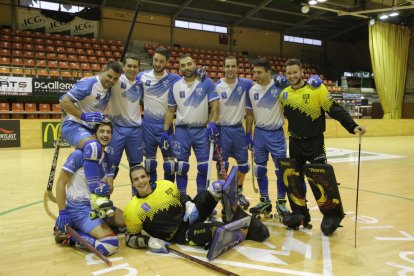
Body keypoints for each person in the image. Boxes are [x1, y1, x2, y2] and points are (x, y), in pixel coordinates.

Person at [279, 58, 366, 233]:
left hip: (315, 143)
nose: (292, 75)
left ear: (302, 72)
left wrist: (352, 125)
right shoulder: (284, 94)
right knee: (294, 180)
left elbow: (334, 108)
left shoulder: (317, 89)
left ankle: (332, 215)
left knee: (322, 180)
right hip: (295, 142)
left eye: (295, 72)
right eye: (289, 73)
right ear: (285, 74)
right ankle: (299, 214)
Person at [123, 166, 269, 253]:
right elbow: (129, 238)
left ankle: (233, 216)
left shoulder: (165, 184)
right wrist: (148, 242)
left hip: (189, 215)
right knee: (217, 230)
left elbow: (180, 196)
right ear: (132, 183)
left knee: (218, 188)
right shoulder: (132, 209)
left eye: (143, 177)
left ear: (148, 177)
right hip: (181, 234)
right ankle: (250, 231)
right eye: (136, 179)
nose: (141, 181)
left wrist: (187, 204)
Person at [54, 121, 125, 256]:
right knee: (110, 244)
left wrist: (106, 188)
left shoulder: (109, 158)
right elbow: (60, 183)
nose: (105, 135)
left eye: (108, 132)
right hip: (79, 209)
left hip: (98, 208)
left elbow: (109, 187)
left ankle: (79, 228)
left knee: (127, 221)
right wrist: (62, 212)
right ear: (94, 135)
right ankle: (72, 236)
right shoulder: (78, 155)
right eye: (101, 131)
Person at [60, 60, 123, 211]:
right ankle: (96, 195)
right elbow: (64, 101)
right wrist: (84, 116)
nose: (111, 81)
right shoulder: (88, 84)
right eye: (109, 76)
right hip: (74, 126)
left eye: (115, 79)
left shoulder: (107, 88)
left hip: (88, 130)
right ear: (102, 69)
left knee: (106, 155)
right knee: (93, 148)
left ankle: (88, 199)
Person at [163, 54, 220, 194]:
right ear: (179, 68)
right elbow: (170, 110)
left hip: (201, 130)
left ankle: (201, 200)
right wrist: (165, 131)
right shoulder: (175, 86)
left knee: (204, 168)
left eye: (189, 64)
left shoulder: (206, 82)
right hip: (182, 131)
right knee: (181, 167)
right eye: (183, 65)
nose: (186, 67)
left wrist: (212, 123)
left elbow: (215, 105)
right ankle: (183, 199)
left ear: (195, 64)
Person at [245, 58, 289, 218]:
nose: (255, 75)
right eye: (254, 72)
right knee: (259, 169)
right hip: (259, 134)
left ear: (268, 73)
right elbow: (249, 114)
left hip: (276, 134)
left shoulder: (278, 87)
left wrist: (286, 84)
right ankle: (265, 201)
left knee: (281, 171)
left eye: (259, 72)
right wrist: (248, 133)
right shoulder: (251, 90)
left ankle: (281, 203)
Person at [136, 47, 181, 183]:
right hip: (148, 125)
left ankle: (168, 191)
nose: (158, 63)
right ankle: (152, 191)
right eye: (156, 60)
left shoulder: (174, 79)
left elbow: (190, 82)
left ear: (166, 62)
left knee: (170, 165)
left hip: (166, 127)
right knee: (149, 164)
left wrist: (198, 75)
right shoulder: (142, 76)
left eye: (161, 61)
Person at [214, 56, 254, 209]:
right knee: (221, 166)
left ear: (238, 68)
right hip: (222, 130)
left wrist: (249, 133)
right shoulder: (216, 86)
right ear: (223, 68)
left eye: (233, 66)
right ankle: (223, 193)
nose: (230, 69)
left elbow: (263, 85)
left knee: (243, 166)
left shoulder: (246, 84)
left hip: (238, 130)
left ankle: (238, 191)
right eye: (227, 66)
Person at [106, 55, 144, 195]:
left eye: (135, 66)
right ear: (123, 66)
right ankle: (104, 199)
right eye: (129, 66)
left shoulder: (141, 83)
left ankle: (136, 199)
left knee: (136, 167)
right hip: (116, 128)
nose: (132, 69)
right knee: (110, 166)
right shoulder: (116, 80)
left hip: (136, 131)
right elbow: (102, 77)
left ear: (139, 68)